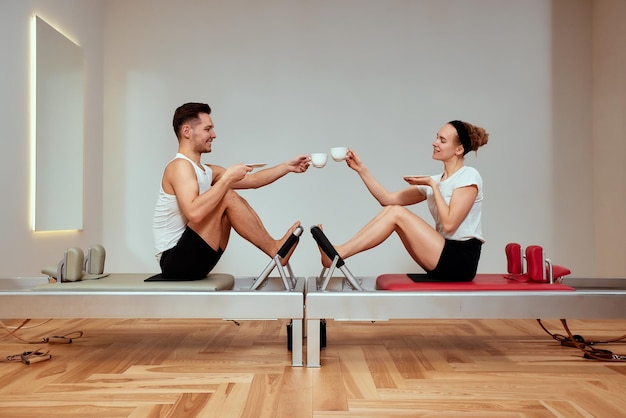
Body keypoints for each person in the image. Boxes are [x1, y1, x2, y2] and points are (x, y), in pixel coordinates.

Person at [153, 102, 310, 280]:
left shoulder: (205, 170)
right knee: (226, 194)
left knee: (227, 197)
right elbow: (194, 213)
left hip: (195, 257)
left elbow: (254, 180)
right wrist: (227, 179)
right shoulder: (179, 167)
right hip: (175, 262)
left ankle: (275, 248)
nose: (214, 135)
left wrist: (287, 166)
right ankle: (274, 249)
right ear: (187, 131)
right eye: (207, 129)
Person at [317, 120, 489, 282]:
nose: (435, 142)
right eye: (436, 137)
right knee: (393, 209)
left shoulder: (468, 176)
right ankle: (338, 251)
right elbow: (387, 199)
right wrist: (361, 169)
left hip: (460, 260)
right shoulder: (436, 180)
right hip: (442, 254)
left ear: (459, 150)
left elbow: (450, 224)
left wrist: (432, 186)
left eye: (442, 140)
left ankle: (338, 253)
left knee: (397, 213)